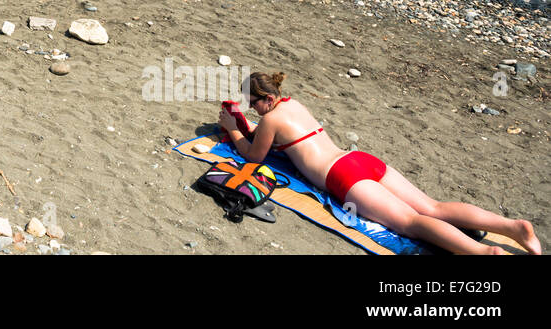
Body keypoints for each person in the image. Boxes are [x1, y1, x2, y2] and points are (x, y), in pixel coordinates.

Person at [219, 72, 540, 255]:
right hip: (359, 159)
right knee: (433, 206)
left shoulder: (270, 119)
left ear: (266, 99)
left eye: (253, 104)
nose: (254, 111)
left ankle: (485, 253)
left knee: (410, 223)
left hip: (341, 177)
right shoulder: (293, 103)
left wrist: (234, 129)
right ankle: (513, 228)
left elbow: (254, 156)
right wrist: (247, 126)